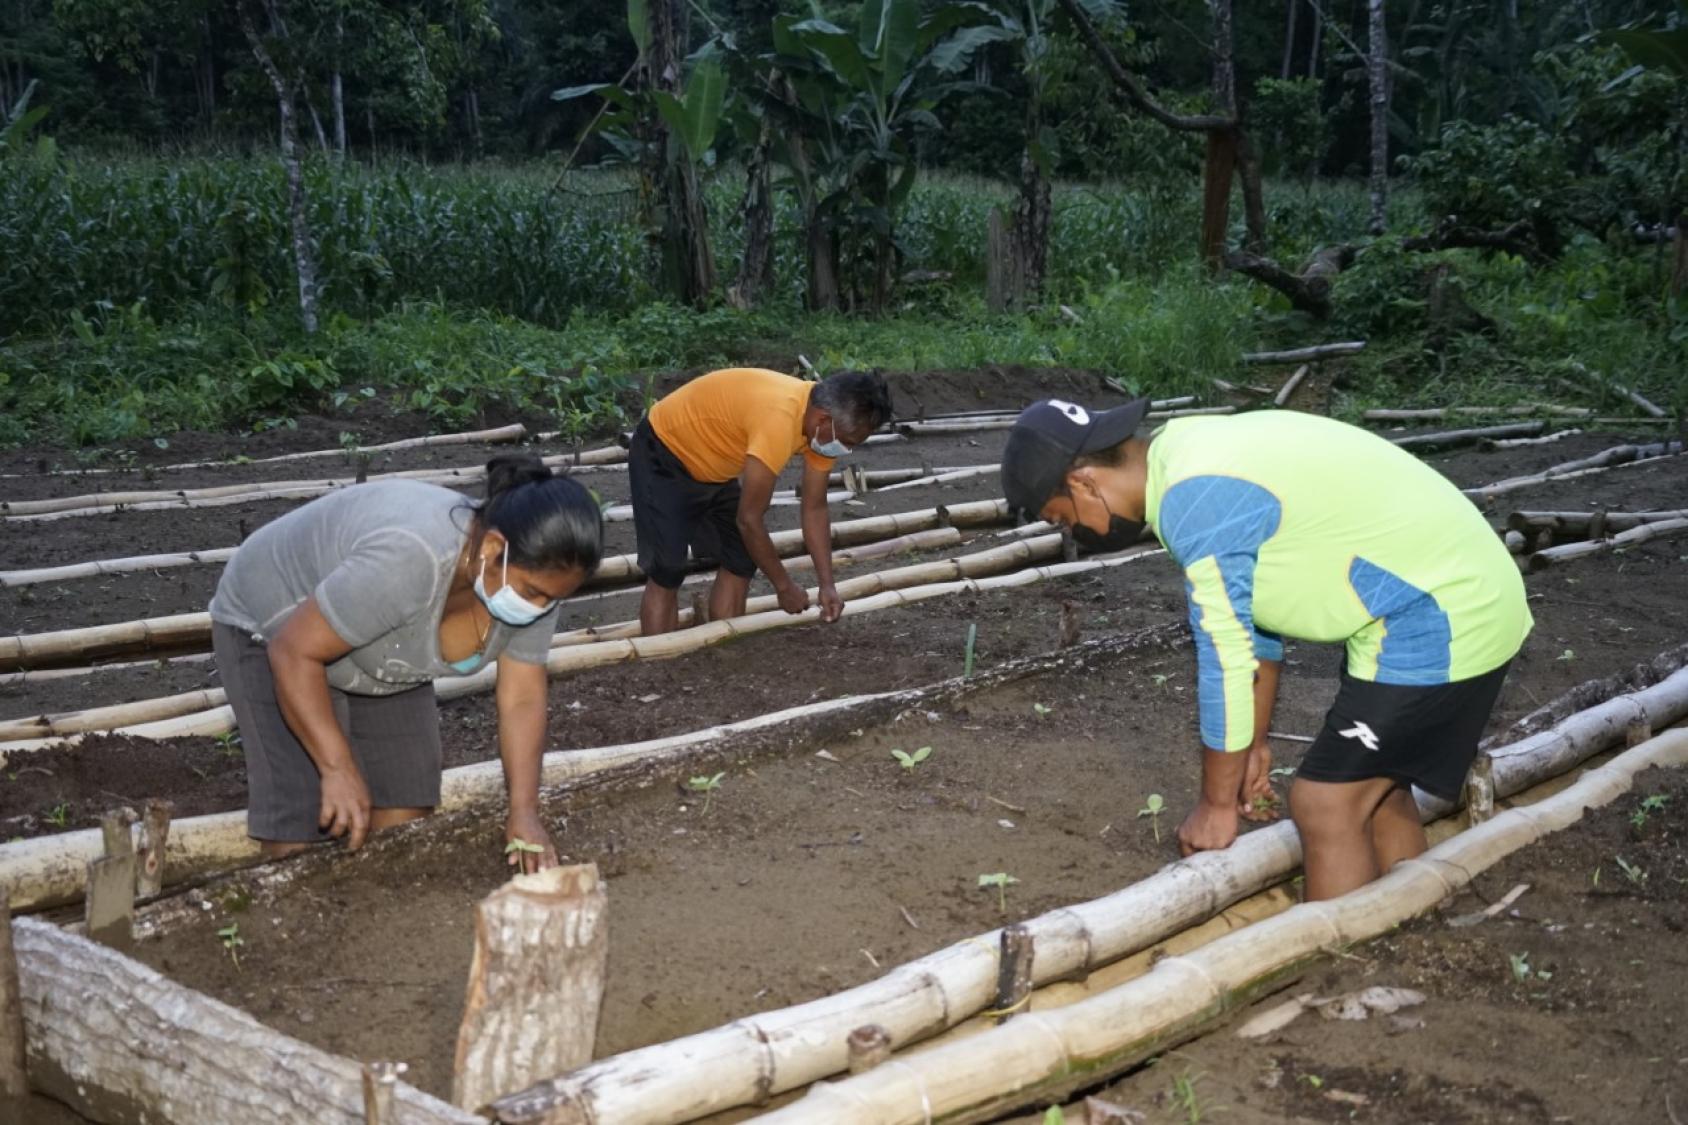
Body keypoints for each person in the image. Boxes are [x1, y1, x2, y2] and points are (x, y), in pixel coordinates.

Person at [999, 398, 1532, 900]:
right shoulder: (1186, 452)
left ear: (1083, 482)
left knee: (1326, 803)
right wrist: (1251, 744)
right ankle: (1407, 929)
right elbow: (1255, 629)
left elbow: (1226, 655)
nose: (1075, 531)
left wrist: (1215, 806)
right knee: (1379, 790)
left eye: (1063, 518)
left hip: (1439, 615)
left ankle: (1337, 972)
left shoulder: (1194, 500)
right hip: (1454, 593)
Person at [207, 454, 603, 873]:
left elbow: (522, 698)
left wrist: (524, 811)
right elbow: (293, 651)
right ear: (493, 548)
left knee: (404, 821)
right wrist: (336, 766)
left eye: (552, 598)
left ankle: (374, 918)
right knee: (305, 826)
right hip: (276, 626)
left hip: (382, 647)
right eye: (534, 592)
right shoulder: (412, 557)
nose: (539, 606)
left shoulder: (534, 584)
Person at [630, 367, 893, 635]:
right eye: (846, 442)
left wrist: (827, 585)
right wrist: (784, 587)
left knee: (742, 556)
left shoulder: (822, 430)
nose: (844, 449)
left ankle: (725, 641)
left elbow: (814, 507)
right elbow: (749, 519)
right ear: (823, 420)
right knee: (668, 568)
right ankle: (658, 662)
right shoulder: (778, 419)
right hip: (664, 451)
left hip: (716, 464)